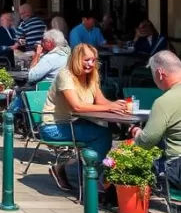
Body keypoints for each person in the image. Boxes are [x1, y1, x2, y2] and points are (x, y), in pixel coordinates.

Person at [42, 43, 128, 191]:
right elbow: (77, 106)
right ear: (76, 59)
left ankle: (75, 171)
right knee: (102, 135)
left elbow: (101, 101)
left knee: (103, 132)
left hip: (75, 122)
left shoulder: (91, 76)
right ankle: (90, 179)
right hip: (54, 126)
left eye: (93, 60)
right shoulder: (65, 75)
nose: (91, 64)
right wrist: (110, 107)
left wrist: (117, 105)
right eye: (86, 60)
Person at [131, 52, 181, 186]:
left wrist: (137, 133)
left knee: (126, 161)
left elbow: (147, 140)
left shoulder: (164, 101)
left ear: (160, 73)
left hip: (177, 169)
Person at [8, 29, 71, 117]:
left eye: (43, 41)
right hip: (61, 90)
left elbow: (31, 76)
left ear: (49, 43)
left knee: (20, 90)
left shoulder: (50, 58)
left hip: (45, 91)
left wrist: (37, 54)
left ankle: (9, 117)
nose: (41, 43)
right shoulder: (67, 53)